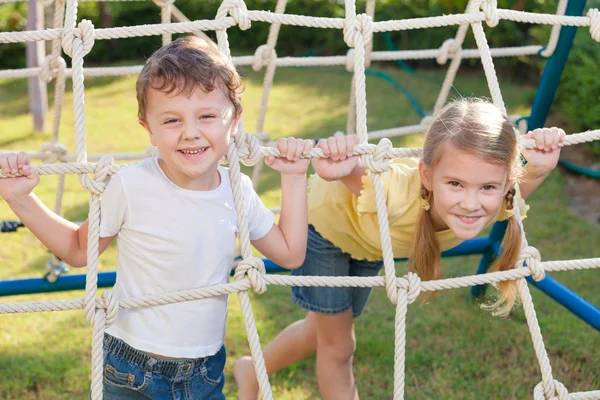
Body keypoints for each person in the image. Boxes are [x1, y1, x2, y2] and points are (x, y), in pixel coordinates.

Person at [0, 36, 314, 400]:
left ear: (235, 121)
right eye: (171, 120)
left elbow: (290, 254)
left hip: (203, 370)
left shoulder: (236, 188)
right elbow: (76, 250)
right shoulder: (131, 185)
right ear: (147, 127)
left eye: (208, 116)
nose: (190, 132)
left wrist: (292, 178)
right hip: (129, 367)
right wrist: (21, 199)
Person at [234, 98, 566, 400]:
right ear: (426, 175)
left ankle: (252, 369)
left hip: (369, 245)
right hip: (327, 232)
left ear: (505, 184)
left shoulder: (497, 200)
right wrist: (343, 165)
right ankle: (252, 373)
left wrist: (539, 167)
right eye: (455, 184)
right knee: (339, 346)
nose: (470, 203)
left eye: (487, 187)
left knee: (319, 330)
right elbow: (360, 175)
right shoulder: (398, 191)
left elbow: (519, 192)